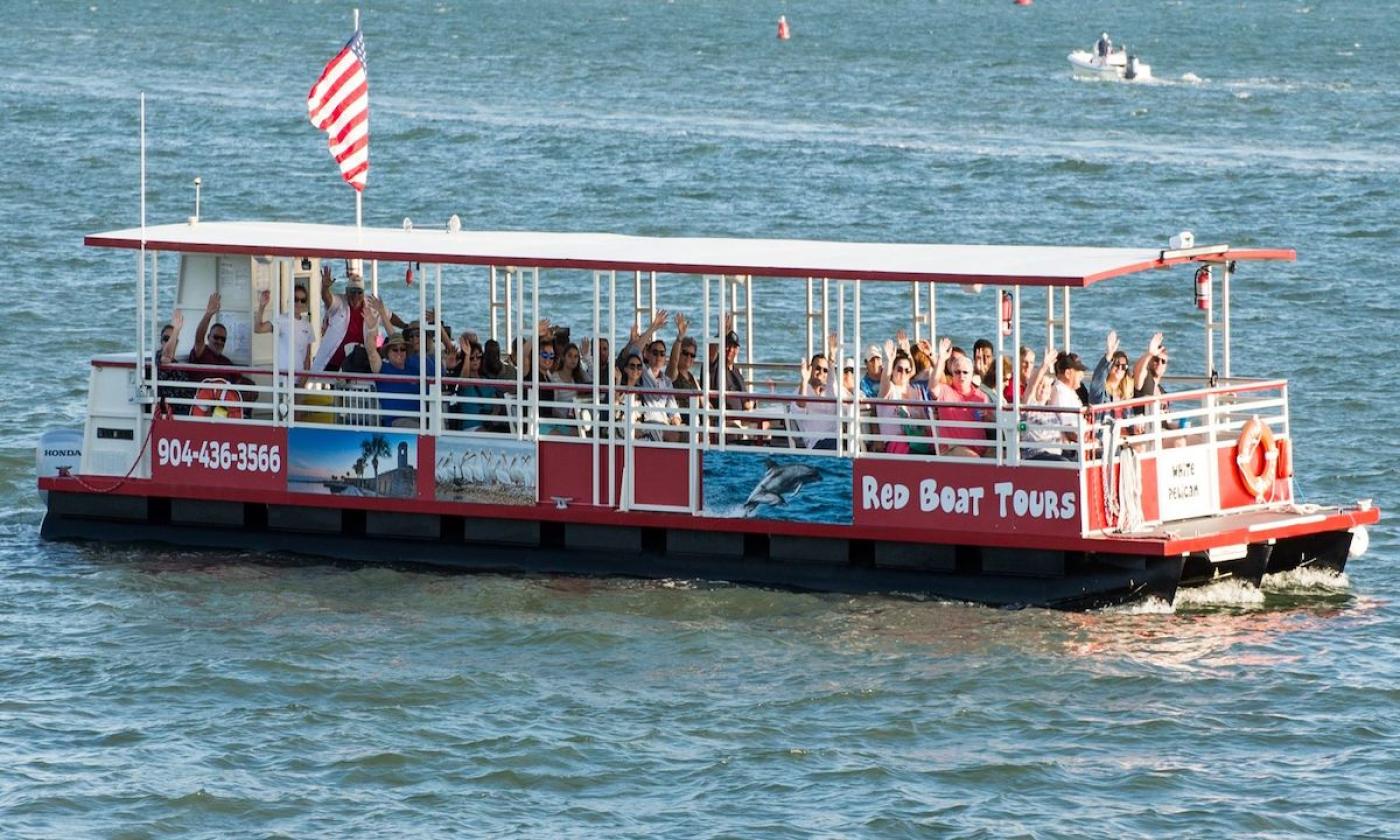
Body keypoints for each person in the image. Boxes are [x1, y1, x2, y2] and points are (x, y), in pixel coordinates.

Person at [364, 307, 436, 428]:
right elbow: (371, 351)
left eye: (402, 349)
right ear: (388, 352)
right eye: (395, 349)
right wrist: (371, 329)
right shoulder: (382, 368)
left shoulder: (414, 369)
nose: (399, 352)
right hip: (398, 421)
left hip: (422, 419)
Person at [313, 268, 389, 372]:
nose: (356, 296)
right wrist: (325, 287)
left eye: (359, 292)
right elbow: (327, 298)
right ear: (346, 291)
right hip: (334, 362)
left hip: (360, 364)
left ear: (363, 293)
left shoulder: (371, 304)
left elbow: (390, 316)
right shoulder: (339, 302)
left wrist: (405, 326)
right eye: (352, 291)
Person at [929, 338, 993, 457]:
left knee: (1006, 456)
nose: (961, 376)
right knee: (974, 459)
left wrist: (989, 417)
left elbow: (990, 424)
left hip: (982, 449)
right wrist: (941, 359)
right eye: (957, 372)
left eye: (965, 372)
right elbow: (932, 385)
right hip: (953, 449)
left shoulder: (981, 396)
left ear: (972, 374)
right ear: (952, 373)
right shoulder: (944, 391)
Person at [876, 339, 929, 455]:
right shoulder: (888, 389)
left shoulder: (915, 392)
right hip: (896, 443)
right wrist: (889, 361)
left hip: (918, 440)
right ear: (893, 371)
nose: (903, 373)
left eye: (906, 370)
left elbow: (924, 421)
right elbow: (885, 379)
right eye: (899, 369)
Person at [254, 286, 312, 379]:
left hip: (299, 381)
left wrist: (303, 382)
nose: (299, 303)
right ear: (290, 300)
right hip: (282, 380)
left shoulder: (307, 326)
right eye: (296, 299)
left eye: (303, 300)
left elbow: (307, 358)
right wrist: (262, 306)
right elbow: (258, 328)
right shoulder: (282, 320)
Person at [789, 353, 843, 450]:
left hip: (837, 439)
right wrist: (804, 380)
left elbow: (833, 381)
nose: (821, 372)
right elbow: (800, 408)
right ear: (810, 369)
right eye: (818, 368)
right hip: (817, 443)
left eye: (825, 370)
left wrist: (832, 357)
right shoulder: (801, 391)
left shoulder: (829, 391)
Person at [665, 313, 702, 427]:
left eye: (692, 355)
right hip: (683, 423)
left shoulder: (692, 377)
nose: (689, 357)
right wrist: (679, 338)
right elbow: (673, 361)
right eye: (685, 353)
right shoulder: (673, 374)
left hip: (697, 422)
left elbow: (703, 401)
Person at [1089, 329, 1134, 409]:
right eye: (1117, 365)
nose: (1120, 368)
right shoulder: (1100, 391)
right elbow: (1098, 376)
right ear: (1110, 366)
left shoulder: (1126, 393)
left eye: (1123, 366)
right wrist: (1109, 354)